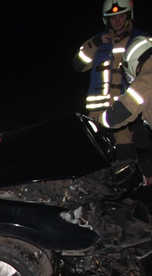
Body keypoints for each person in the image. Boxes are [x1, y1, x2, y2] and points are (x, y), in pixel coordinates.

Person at [74, 1, 148, 161]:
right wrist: (95, 43)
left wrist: (143, 122)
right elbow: (78, 65)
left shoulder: (142, 41)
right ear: (106, 19)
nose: (117, 20)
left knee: (125, 154)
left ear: (129, 16)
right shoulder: (98, 41)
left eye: (121, 15)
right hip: (97, 112)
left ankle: (126, 185)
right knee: (95, 154)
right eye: (112, 17)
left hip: (125, 110)